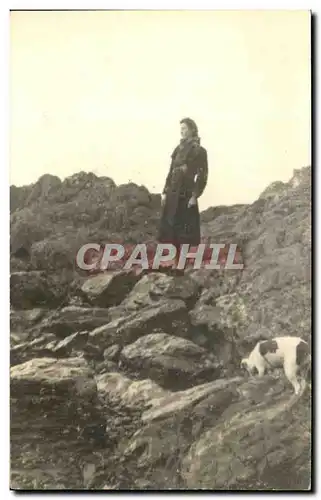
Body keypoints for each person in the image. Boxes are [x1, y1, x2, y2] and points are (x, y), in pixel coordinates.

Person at [158, 118, 208, 273]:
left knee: (184, 229)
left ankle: (182, 264)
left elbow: (203, 175)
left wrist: (195, 195)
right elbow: (170, 170)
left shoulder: (199, 151)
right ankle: (175, 262)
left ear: (192, 129)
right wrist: (165, 191)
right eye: (181, 128)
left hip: (186, 193)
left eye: (185, 128)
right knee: (172, 227)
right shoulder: (178, 149)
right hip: (173, 192)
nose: (182, 131)